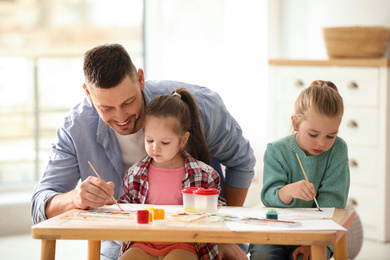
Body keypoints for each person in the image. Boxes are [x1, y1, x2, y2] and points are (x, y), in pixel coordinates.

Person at [30, 43, 256, 259]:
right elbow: (41, 204)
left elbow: (241, 162)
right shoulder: (75, 128)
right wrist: (76, 199)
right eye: (106, 108)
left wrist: (221, 237)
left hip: (198, 240)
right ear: (88, 94)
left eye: (128, 102)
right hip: (125, 244)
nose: (120, 117)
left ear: (140, 79)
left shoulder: (198, 105)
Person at [118, 88, 226, 260]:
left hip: (184, 242)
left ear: (183, 140)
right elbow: (126, 208)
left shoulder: (205, 175)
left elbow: (218, 209)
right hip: (142, 242)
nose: (155, 147)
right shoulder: (135, 174)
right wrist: (112, 206)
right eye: (150, 140)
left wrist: (215, 208)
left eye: (165, 142)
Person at [249, 80, 350, 260]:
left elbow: (333, 201)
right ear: (295, 124)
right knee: (263, 254)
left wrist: (316, 242)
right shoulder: (276, 150)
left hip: (317, 231)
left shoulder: (338, 150)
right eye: (313, 134)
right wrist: (289, 191)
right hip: (275, 230)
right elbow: (268, 196)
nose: (321, 143)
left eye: (331, 135)